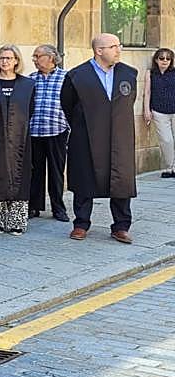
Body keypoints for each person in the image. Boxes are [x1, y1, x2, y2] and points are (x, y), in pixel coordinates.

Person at [62, 34, 138, 243]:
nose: (118, 49)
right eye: (113, 46)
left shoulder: (129, 74)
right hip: (86, 136)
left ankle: (121, 226)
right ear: (99, 51)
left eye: (119, 45)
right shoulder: (77, 76)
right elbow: (67, 105)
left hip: (120, 138)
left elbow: (128, 102)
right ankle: (81, 224)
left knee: (121, 180)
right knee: (84, 178)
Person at [0, 45, 35, 236]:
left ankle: (17, 221)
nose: (5, 62)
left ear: (16, 61)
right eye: (2, 58)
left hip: (21, 139)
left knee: (20, 176)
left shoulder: (28, 85)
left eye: (9, 58)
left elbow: (31, 110)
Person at [28, 45, 70, 221]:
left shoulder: (66, 77)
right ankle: (34, 207)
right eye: (34, 56)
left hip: (57, 130)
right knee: (35, 171)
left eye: (38, 56)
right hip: (34, 131)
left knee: (56, 172)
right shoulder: (30, 79)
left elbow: (73, 104)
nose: (35, 59)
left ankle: (58, 208)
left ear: (51, 58)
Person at [143, 47, 175, 178]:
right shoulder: (150, 73)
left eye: (168, 58)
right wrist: (146, 110)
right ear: (156, 60)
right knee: (166, 140)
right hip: (159, 111)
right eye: (162, 58)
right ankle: (170, 167)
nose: (165, 61)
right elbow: (147, 92)